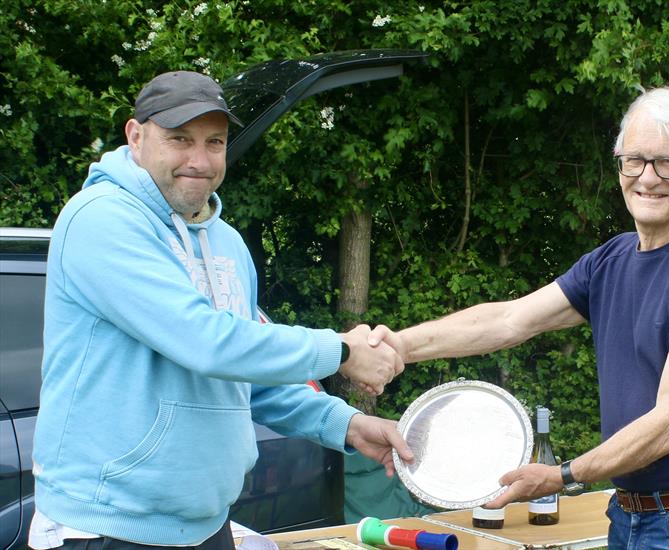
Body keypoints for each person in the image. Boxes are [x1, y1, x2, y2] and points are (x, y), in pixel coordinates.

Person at [370, 87, 669, 548]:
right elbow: (510, 319)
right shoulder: (612, 260)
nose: (647, 177)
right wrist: (399, 346)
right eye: (634, 160)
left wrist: (564, 475)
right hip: (632, 515)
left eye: (668, 162)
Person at [29, 70, 412, 550]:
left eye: (215, 142)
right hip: (106, 527)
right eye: (179, 139)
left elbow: (244, 375)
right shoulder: (101, 219)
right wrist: (341, 350)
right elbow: (204, 340)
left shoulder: (225, 241)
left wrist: (349, 425)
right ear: (135, 135)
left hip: (206, 525)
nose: (199, 159)